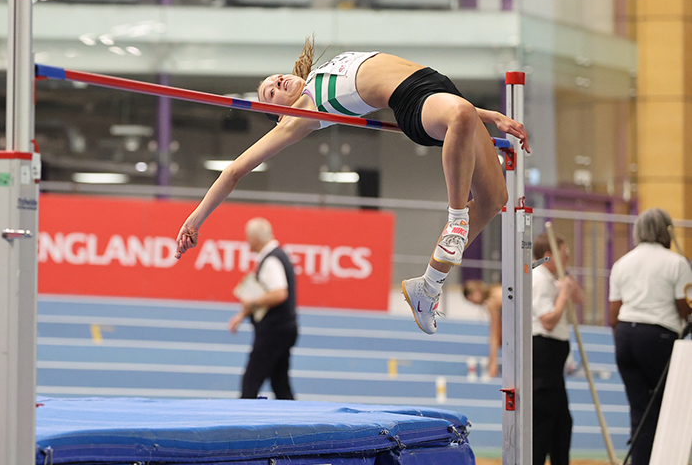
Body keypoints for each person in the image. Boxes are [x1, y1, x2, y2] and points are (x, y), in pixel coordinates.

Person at [175, 39, 529, 335]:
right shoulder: (299, 116)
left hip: (437, 87)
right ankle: (456, 218)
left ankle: (428, 286)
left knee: (495, 198)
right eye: (271, 91)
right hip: (414, 102)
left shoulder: (317, 77)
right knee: (461, 115)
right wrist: (194, 220)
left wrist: (491, 115)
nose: (278, 81)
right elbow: (234, 171)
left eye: (276, 78)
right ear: (279, 115)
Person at [608, 208, 692, 465]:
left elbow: (613, 314)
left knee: (640, 411)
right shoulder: (676, 262)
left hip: (625, 336)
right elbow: (685, 309)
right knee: (669, 408)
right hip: (659, 336)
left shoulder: (622, 263)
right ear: (667, 231)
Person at [228, 218, 299, 399]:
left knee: (250, 383)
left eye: (248, 237)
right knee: (280, 384)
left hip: (273, 331)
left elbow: (279, 294)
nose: (247, 241)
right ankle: (293, 414)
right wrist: (242, 314)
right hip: (284, 328)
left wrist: (252, 304)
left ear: (255, 238)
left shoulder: (271, 260)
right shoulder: (277, 255)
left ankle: (243, 415)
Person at [530, 232, 582, 465]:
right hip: (545, 353)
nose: (568, 256)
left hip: (555, 359)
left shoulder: (553, 277)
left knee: (562, 423)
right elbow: (548, 321)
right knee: (543, 422)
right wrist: (563, 295)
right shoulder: (539, 278)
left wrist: (567, 281)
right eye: (564, 253)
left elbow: (579, 298)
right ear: (549, 255)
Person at [463, 280, 502, 378]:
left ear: (476, 292)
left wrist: (493, 363)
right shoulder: (496, 289)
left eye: (472, 300)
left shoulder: (492, 301)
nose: (474, 304)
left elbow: (495, 334)